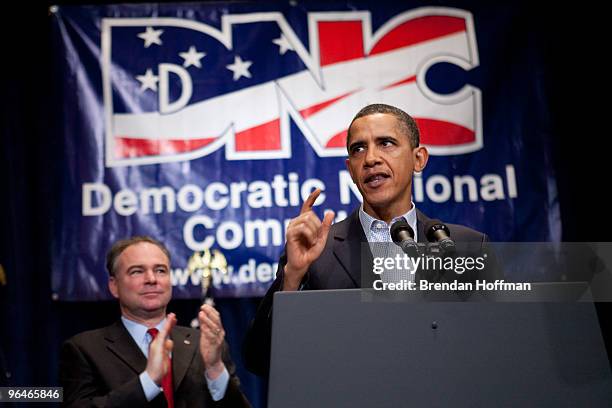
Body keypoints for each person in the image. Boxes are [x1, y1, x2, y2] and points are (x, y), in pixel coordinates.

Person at [242, 103, 497, 377]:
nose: (370, 158)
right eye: (358, 149)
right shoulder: (317, 250)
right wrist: (292, 276)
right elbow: (261, 360)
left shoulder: (466, 247)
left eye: (386, 143)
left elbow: (496, 350)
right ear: (350, 168)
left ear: (419, 158)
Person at [60, 236, 251, 407]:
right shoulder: (84, 349)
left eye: (160, 270)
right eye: (137, 271)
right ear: (114, 285)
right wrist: (148, 382)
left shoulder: (204, 343)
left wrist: (216, 369)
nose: (151, 279)